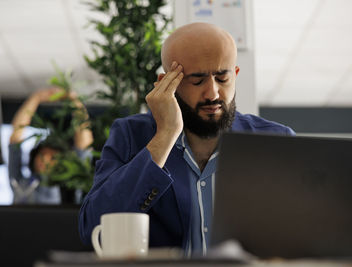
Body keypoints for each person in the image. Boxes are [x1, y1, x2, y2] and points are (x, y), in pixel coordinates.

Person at [79, 22, 295, 255]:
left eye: (222, 78)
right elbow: (93, 226)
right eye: (197, 80)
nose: (212, 93)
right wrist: (165, 136)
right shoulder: (132, 136)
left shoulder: (276, 140)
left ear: (236, 74)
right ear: (167, 83)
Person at [9, 87, 93, 204]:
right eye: (42, 154)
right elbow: (15, 139)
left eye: (53, 158)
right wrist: (36, 98)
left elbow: (85, 146)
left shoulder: (72, 187)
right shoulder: (21, 183)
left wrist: (74, 101)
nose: (45, 160)